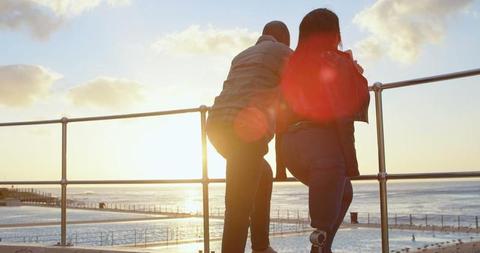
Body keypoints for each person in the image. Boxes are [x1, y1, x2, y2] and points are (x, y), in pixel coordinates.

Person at [275, 8, 370, 253]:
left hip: (290, 147)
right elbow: (351, 106)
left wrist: (280, 167)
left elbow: (278, 110)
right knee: (324, 219)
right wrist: (354, 72)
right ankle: (321, 245)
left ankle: (322, 245)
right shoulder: (335, 60)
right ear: (333, 33)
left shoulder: (292, 64)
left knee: (344, 192)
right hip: (321, 150)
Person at [207, 21, 292, 253]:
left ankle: (261, 246)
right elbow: (288, 105)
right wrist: (283, 164)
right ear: (285, 37)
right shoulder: (284, 53)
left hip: (215, 126)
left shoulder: (240, 56)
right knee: (238, 204)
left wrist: (277, 167)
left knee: (262, 174)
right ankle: (251, 248)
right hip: (246, 129)